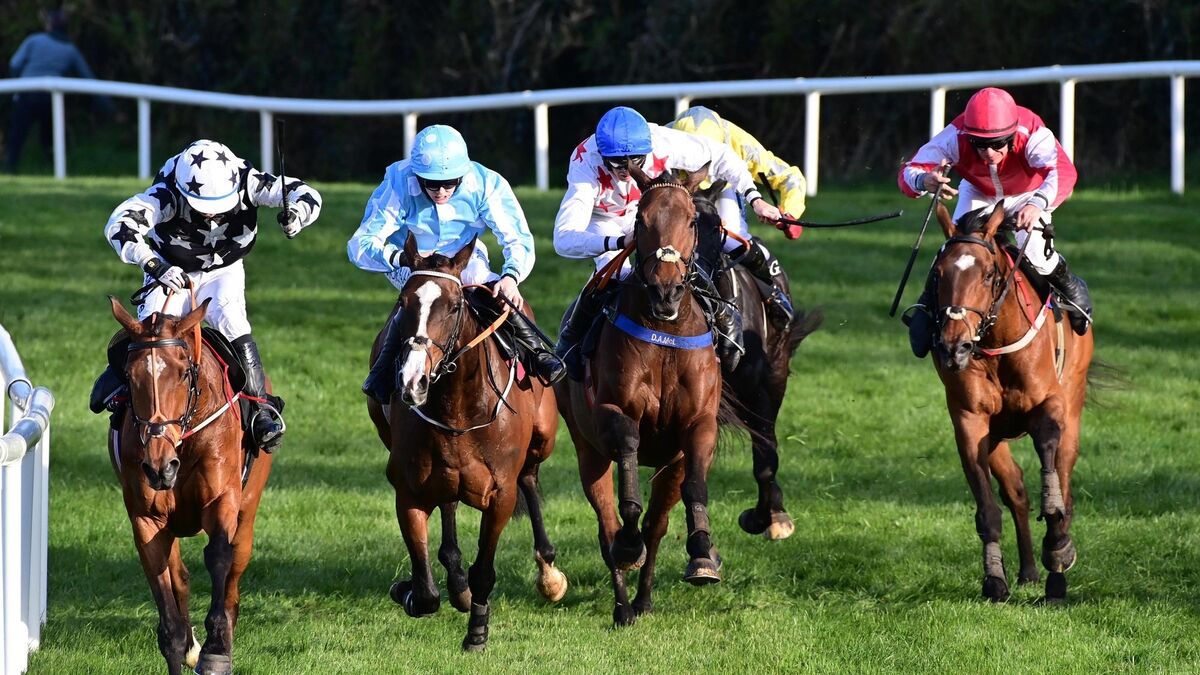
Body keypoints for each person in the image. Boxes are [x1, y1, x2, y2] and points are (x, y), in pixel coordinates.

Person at [92, 139, 322, 452]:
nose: (212, 215)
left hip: (224, 270)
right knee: (152, 331)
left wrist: (297, 214)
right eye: (202, 207)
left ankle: (260, 409)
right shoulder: (167, 192)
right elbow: (119, 224)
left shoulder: (248, 181)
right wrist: (152, 263)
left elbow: (304, 192)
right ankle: (122, 389)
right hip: (170, 268)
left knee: (232, 322)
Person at [553, 106, 782, 380]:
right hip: (605, 220)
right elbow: (563, 239)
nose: (627, 170)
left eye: (636, 160)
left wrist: (755, 199)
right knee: (617, 276)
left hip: (652, 212)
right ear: (601, 155)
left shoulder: (661, 141)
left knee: (678, 265)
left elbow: (722, 155)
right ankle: (570, 341)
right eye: (616, 163)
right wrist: (618, 241)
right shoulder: (584, 164)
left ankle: (725, 315)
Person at [349, 124, 564, 404]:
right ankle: (383, 369)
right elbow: (360, 244)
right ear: (417, 175)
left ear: (463, 174)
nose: (441, 191)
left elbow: (518, 238)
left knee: (491, 289)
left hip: (462, 257)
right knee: (419, 300)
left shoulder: (487, 182)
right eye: (431, 183)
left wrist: (511, 276)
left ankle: (536, 352)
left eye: (450, 183)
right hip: (413, 259)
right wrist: (400, 258)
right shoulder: (398, 181)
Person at [898, 87, 1092, 358]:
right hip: (979, 192)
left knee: (1035, 253)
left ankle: (1070, 284)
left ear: (1012, 136)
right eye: (979, 144)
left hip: (1028, 194)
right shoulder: (955, 135)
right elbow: (910, 170)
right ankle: (926, 306)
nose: (988, 152)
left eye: (998, 144)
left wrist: (1037, 204)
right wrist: (924, 180)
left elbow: (1063, 171)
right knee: (956, 252)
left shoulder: (1032, 133)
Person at [667, 105, 806, 328]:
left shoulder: (740, 144)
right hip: (678, 189)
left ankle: (772, 292)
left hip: (722, 189)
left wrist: (790, 212)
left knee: (732, 237)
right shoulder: (661, 141)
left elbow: (790, 178)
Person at [6, 8, 116, 173]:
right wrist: (109, 108)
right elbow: (88, 79)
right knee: (50, 138)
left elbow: (14, 64)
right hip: (50, 99)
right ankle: (50, 168)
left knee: (17, 136)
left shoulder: (34, 40)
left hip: (26, 94)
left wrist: (18, 84)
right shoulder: (70, 50)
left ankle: (10, 168)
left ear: (49, 25)